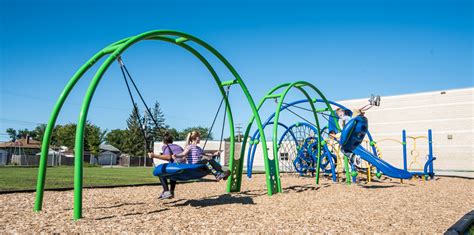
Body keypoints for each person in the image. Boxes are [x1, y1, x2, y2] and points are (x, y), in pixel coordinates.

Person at [148, 133, 185, 199]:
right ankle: (172, 191)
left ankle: (166, 191)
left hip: (177, 166)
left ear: (163, 141)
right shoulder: (178, 146)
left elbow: (168, 157)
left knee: (161, 171)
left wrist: (154, 155)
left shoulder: (166, 147)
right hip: (183, 167)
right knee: (172, 174)